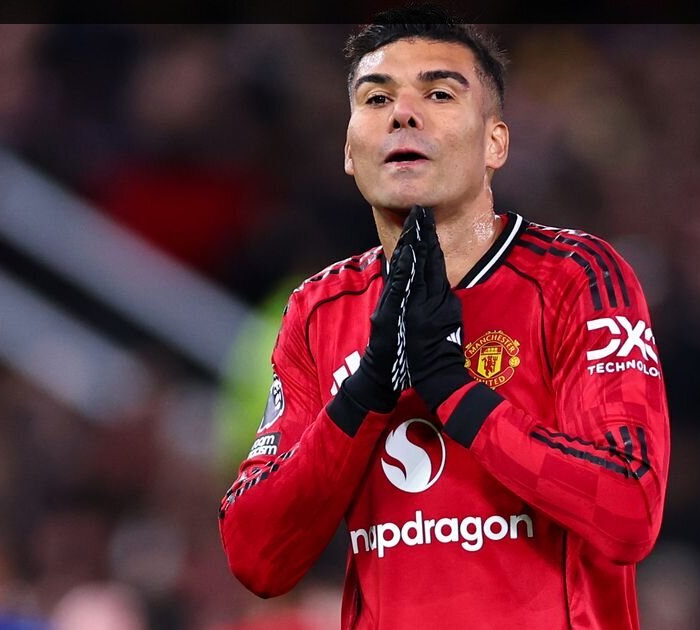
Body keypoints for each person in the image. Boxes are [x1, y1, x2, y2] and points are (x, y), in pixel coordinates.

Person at [219, 8, 670, 628]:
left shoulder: (576, 277)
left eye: (438, 94)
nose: (403, 114)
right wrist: (362, 397)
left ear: (495, 143)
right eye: (377, 98)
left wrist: (456, 394)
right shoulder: (318, 310)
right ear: (349, 151)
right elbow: (255, 557)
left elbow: (630, 509)